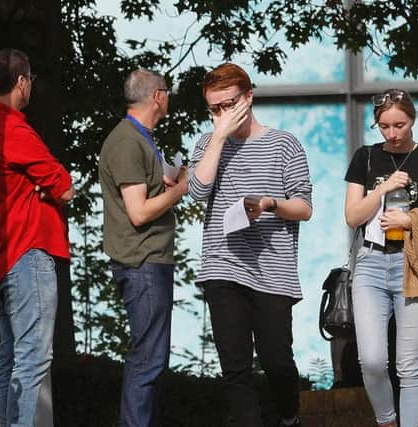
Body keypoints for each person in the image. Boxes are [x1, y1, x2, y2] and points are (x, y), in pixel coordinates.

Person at [188, 63, 312, 427]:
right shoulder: (207, 144)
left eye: (229, 105)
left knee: (277, 361)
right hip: (222, 265)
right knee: (235, 367)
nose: (223, 114)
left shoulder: (283, 143)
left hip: (273, 270)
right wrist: (219, 137)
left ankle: (289, 417)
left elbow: (304, 207)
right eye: (215, 109)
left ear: (248, 97)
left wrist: (270, 203)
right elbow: (197, 191)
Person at [0, 48, 75, 427]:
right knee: (33, 358)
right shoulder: (11, 127)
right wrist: (44, 188)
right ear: (21, 82)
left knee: (11, 358)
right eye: (29, 79)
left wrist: (39, 186)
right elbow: (64, 186)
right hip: (28, 252)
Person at [344, 88, 418, 427]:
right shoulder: (365, 157)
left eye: (400, 125)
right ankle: (386, 419)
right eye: (384, 126)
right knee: (373, 360)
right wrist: (382, 189)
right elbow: (352, 216)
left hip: (415, 263)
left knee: (409, 364)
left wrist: (410, 220)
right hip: (371, 262)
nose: (392, 134)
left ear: (413, 121)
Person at [99, 69, 188, 427]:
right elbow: (138, 212)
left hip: (149, 262)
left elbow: (143, 195)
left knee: (150, 357)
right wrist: (181, 187)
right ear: (157, 96)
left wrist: (162, 182)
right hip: (143, 262)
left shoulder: (139, 139)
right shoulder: (126, 141)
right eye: (167, 92)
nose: (168, 97)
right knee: (148, 359)